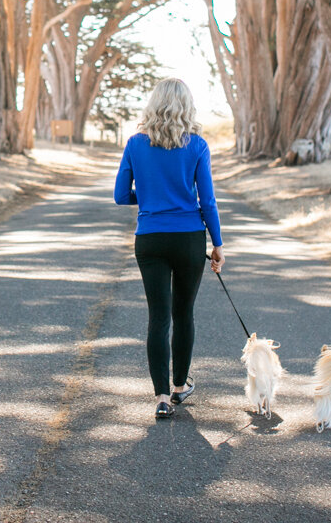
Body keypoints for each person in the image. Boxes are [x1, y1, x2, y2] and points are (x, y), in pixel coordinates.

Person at [114, 78, 224, 419]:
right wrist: (217, 244)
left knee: (158, 317)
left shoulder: (134, 144)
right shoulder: (197, 146)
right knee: (183, 313)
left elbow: (120, 196)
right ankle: (179, 387)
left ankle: (160, 396)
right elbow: (207, 201)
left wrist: (148, 198)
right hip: (189, 237)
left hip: (150, 238)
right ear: (187, 107)